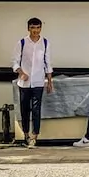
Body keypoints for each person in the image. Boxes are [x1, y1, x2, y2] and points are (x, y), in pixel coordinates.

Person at [12, 16, 54, 148]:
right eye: (33, 28)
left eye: (38, 27)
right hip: (24, 82)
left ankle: (35, 136)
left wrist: (49, 81)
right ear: (28, 28)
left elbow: (48, 62)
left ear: (41, 28)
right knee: (25, 109)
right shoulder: (22, 43)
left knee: (36, 109)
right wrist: (21, 72)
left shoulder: (45, 43)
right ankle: (25, 134)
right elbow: (14, 61)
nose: (35, 30)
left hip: (38, 81)